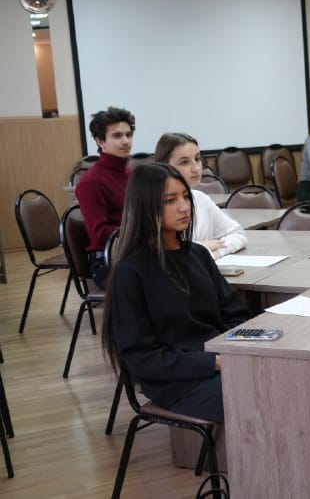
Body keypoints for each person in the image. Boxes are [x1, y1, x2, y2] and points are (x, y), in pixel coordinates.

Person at [101, 163, 249, 422]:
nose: (184, 207)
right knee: (258, 397)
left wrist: (231, 350)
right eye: (170, 201)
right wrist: (213, 362)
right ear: (145, 208)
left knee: (285, 381)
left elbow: (235, 313)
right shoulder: (130, 272)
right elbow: (143, 358)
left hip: (220, 362)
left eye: (185, 197)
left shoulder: (199, 254)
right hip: (176, 381)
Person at [154, 132, 247, 259]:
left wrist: (216, 253)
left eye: (197, 159)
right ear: (164, 165)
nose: (196, 168)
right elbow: (166, 252)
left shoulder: (200, 198)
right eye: (184, 162)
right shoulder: (154, 202)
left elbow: (238, 234)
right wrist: (202, 248)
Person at [75, 106, 136, 289]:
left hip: (134, 253)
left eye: (128, 134)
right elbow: (100, 234)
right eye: (117, 136)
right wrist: (140, 232)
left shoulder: (132, 174)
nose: (125, 141)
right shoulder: (91, 182)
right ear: (100, 141)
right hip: (108, 262)